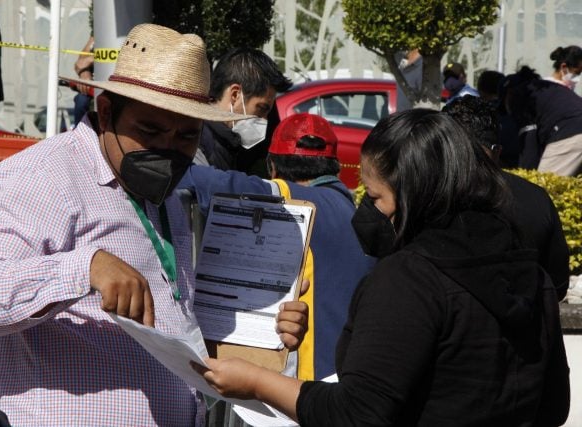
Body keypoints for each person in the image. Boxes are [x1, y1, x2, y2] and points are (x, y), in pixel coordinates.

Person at [0, 23, 308, 426]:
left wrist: (265, 337)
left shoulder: (163, 194)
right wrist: (84, 267)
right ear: (106, 112)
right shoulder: (42, 175)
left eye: (187, 136)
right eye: (150, 130)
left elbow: (173, 331)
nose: (167, 149)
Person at [193, 109, 570, 426]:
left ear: (415, 194)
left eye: (375, 197)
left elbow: (357, 412)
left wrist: (256, 381)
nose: (369, 212)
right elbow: (555, 407)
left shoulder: (409, 279)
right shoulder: (533, 275)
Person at [179, 112, 375, 381]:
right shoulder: (348, 207)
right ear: (334, 167)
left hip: (314, 381)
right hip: (350, 372)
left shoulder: (295, 201)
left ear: (272, 167)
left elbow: (213, 183)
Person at [443, 94, 570, 300]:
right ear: (497, 151)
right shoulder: (535, 198)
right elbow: (557, 285)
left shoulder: (424, 194)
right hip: (524, 323)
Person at [194, 47, 292, 176]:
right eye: (261, 108)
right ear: (235, 95)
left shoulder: (229, 144)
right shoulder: (197, 144)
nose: (265, 120)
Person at [501, 65, 582, 176]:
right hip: (574, 130)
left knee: (544, 188)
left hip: (569, 133)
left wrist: (524, 178)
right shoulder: (549, 89)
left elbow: (529, 143)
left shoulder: (519, 95)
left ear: (508, 94)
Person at [72, 35, 94, 126]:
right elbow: (79, 64)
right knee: (81, 100)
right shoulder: (97, 34)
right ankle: (79, 135)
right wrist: (84, 72)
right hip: (93, 89)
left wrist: (91, 59)